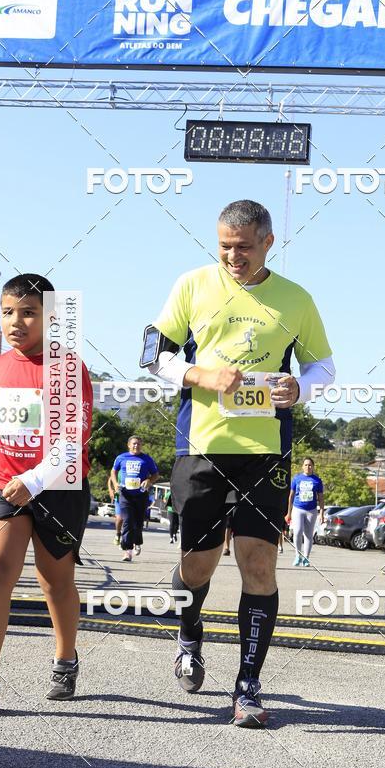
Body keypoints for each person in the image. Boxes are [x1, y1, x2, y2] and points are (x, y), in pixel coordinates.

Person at [146, 199, 334, 727]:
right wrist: (199, 375)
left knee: (258, 564)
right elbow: (153, 354)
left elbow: (325, 364)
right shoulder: (192, 285)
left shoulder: (296, 300)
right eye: (225, 246)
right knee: (199, 564)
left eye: (244, 247)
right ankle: (189, 634)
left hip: (266, 453)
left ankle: (247, 687)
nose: (233, 256)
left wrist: (303, 386)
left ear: (268, 243)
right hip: (202, 447)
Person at [0, 274, 93, 714]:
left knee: (54, 581)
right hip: (2, 484)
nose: (16, 321)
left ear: (51, 317)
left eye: (28, 312)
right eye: (8, 312)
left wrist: (34, 480)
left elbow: (74, 438)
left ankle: (65, 659)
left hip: (58, 486)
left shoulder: (68, 368)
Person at [110, 436, 159, 562]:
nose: (136, 446)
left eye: (138, 444)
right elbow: (113, 472)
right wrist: (115, 485)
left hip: (141, 495)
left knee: (138, 523)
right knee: (128, 521)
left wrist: (149, 480)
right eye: (134, 444)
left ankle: (137, 542)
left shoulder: (147, 459)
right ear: (128, 445)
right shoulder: (121, 457)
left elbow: (155, 474)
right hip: (125, 494)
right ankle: (127, 551)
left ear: (141, 445)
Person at [286, 457, 324, 566]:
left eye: (310, 465)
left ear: (313, 467)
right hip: (298, 509)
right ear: (302, 466)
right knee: (297, 532)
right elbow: (291, 496)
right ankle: (298, 555)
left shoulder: (317, 480)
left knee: (308, 534)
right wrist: (289, 512)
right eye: (306, 465)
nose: (308, 467)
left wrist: (321, 513)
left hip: (311, 510)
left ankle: (306, 557)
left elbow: (321, 498)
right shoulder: (297, 479)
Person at [107, 468, 123, 546]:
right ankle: (118, 534)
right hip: (118, 495)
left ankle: (128, 538)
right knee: (119, 518)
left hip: (132, 496)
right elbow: (110, 479)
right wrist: (110, 490)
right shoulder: (119, 466)